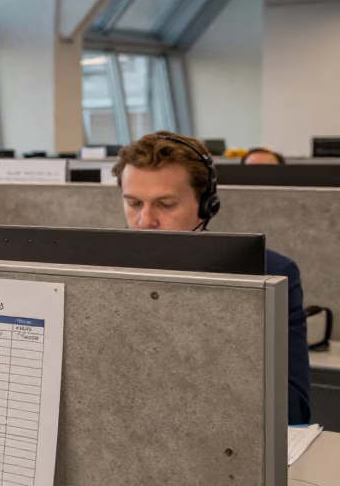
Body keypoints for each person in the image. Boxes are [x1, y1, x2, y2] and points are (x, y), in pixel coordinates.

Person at [112, 132, 311, 424]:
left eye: (166, 205)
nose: (145, 222)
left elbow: (293, 408)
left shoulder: (267, 273)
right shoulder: (97, 271)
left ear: (207, 205)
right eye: (134, 203)